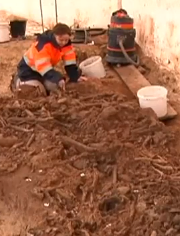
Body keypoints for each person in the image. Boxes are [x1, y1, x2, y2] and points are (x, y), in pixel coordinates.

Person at [10, 23, 88, 95]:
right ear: (54, 36)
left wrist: (75, 76)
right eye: (61, 40)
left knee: (56, 88)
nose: (64, 42)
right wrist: (58, 78)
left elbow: (70, 64)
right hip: (28, 72)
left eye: (66, 40)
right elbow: (44, 67)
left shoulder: (67, 45)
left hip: (43, 73)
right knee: (38, 93)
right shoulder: (43, 46)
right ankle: (18, 81)